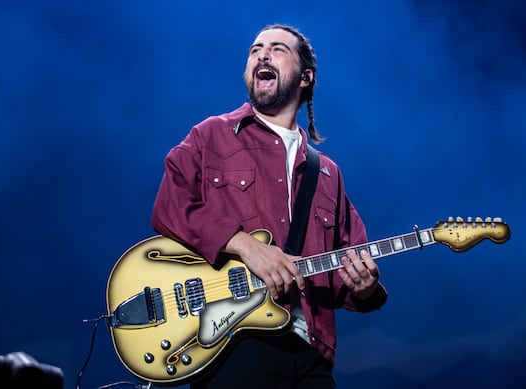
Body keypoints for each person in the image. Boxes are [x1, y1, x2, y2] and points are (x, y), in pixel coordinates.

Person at [151, 23, 388, 388]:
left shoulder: (327, 173)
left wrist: (366, 287)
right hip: (236, 342)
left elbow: (346, 273)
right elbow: (169, 204)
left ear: (305, 77)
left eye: (278, 49)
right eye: (255, 49)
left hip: (311, 351)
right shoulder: (211, 135)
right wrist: (246, 246)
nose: (262, 54)